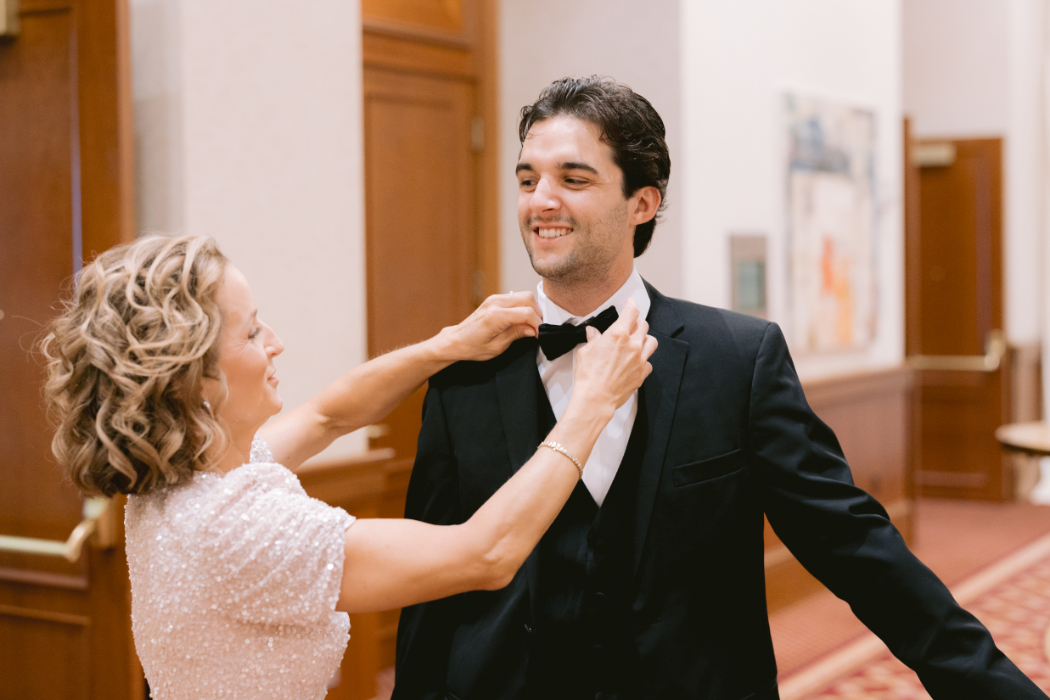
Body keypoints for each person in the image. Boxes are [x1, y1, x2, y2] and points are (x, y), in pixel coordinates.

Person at [393, 76, 1047, 700]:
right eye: (528, 179)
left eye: (574, 178)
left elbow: (855, 549)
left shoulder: (738, 360)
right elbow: (426, 579)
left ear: (642, 202)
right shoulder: (469, 367)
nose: (541, 201)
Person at [40, 234, 656, 700]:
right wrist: (590, 406)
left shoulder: (181, 475)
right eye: (253, 333)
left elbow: (330, 416)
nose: (276, 341)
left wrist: (449, 344)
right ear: (194, 380)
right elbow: (485, 553)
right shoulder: (239, 526)